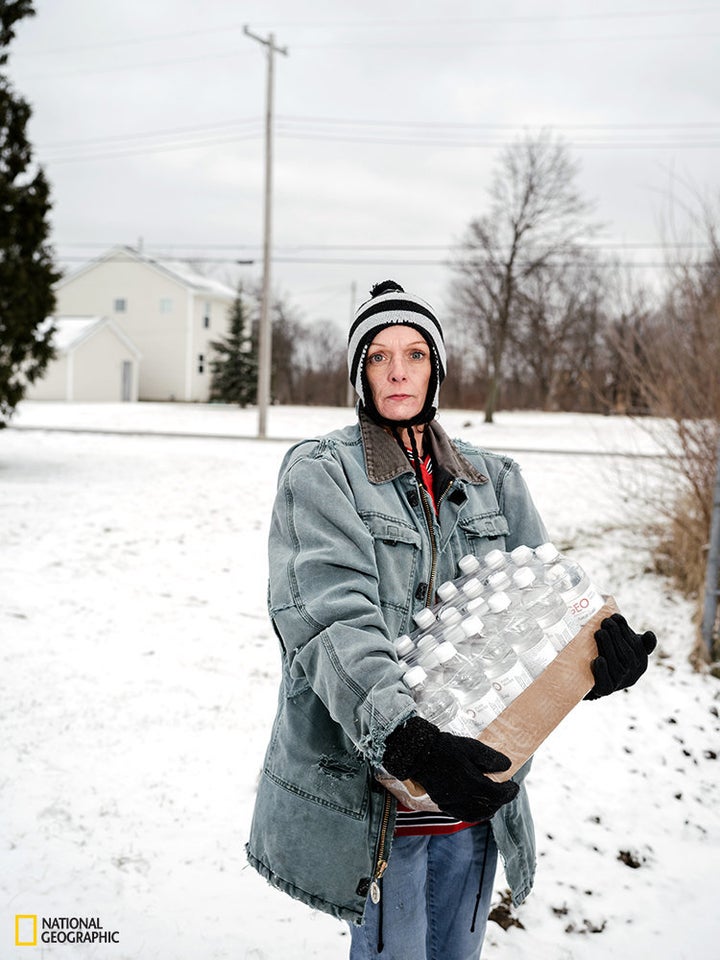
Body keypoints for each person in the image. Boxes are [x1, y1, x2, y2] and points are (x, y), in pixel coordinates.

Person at [246, 280, 656, 960]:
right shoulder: (324, 475)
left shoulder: (493, 478)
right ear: (360, 372)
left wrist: (596, 664)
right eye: (378, 356)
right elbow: (328, 620)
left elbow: (543, 612)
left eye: (414, 353)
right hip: (383, 803)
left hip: (475, 802)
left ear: (436, 367)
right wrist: (411, 743)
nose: (398, 369)